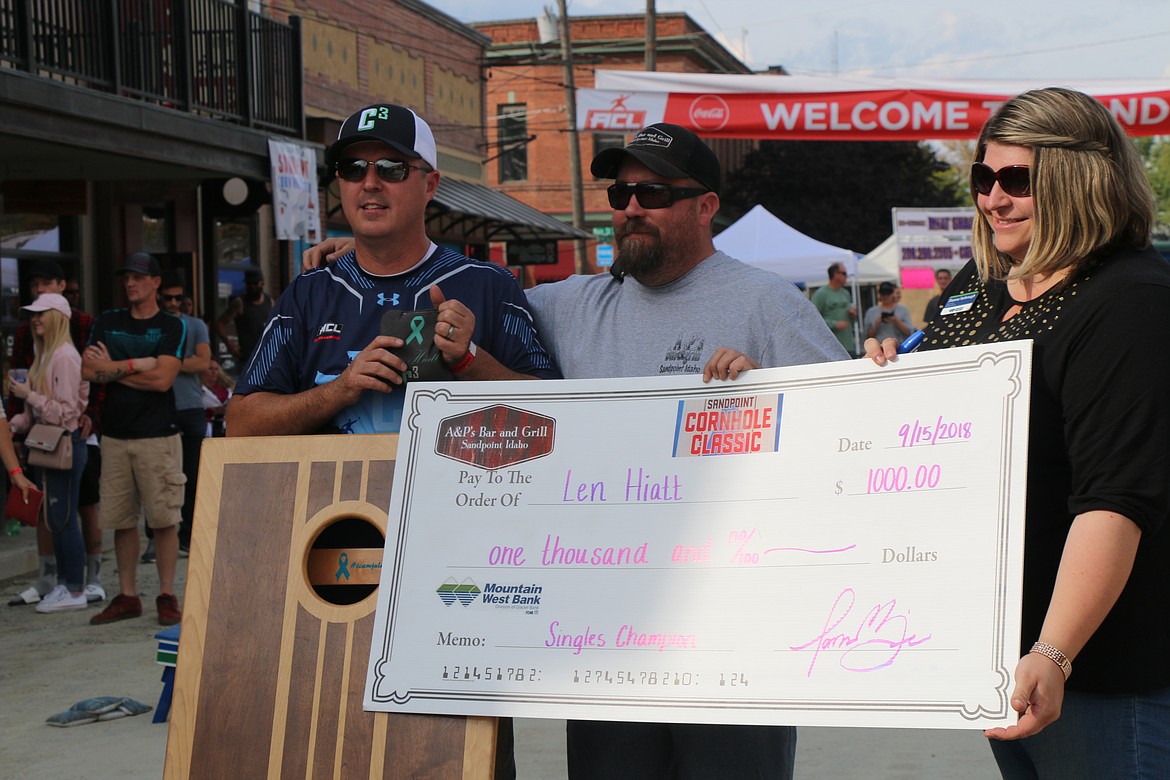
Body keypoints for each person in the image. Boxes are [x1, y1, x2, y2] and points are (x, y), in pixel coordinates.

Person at [866, 87, 1170, 779]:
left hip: (1095, 670)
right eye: (982, 177)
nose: (992, 199)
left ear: (1078, 178)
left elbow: (1115, 500)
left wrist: (1054, 650)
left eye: (1015, 179)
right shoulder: (982, 284)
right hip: (989, 654)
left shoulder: (1128, 300)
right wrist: (879, 378)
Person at [227, 102, 559, 439]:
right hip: (339, 492)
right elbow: (241, 424)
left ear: (430, 185)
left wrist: (469, 360)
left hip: (451, 491)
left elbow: (557, 411)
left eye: (391, 167)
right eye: (353, 168)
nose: (370, 182)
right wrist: (339, 390)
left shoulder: (489, 285)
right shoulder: (309, 290)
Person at [84, 252, 186, 627]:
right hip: (114, 436)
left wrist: (111, 370)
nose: (131, 283)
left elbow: (163, 380)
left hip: (158, 437)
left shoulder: (171, 326)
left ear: (156, 282)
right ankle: (127, 596)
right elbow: (87, 369)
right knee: (121, 520)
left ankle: (166, 594)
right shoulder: (108, 321)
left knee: (162, 520)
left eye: (139, 277)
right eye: (127, 277)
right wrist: (136, 364)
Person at [5, 261, 105, 606]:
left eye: (41, 314)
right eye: (33, 314)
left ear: (57, 318)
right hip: (50, 444)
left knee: (63, 517)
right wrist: (12, 424)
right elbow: (36, 414)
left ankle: (74, 586)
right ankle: (67, 583)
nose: (35, 319)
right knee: (57, 516)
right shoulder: (46, 355)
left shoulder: (63, 356)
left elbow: (65, 413)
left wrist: (25, 396)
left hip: (65, 443)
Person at [160, 275, 210, 554]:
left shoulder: (195, 325)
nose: (174, 303)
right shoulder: (158, 325)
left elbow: (203, 361)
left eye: (178, 298)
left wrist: (167, 363)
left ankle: (188, 535)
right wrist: (181, 363)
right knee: (160, 476)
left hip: (190, 405)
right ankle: (156, 541)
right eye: (168, 298)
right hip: (161, 407)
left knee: (192, 474)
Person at [215, 268, 273, 370]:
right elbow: (220, 324)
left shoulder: (269, 302)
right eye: (249, 284)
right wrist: (229, 345)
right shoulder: (240, 303)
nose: (252, 287)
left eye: (255, 284)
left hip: (268, 357)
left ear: (262, 281)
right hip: (248, 359)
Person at [810, 261, 857, 355]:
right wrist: (834, 324)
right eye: (844, 273)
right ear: (836, 274)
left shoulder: (845, 293)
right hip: (830, 347)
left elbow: (850, 319)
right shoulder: (821, 294)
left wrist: (852, 314)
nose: (846, 276)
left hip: (848, 345)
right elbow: (812, 319)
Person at [201, 360, 233, 438]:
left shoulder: (227, 387)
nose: (214, 372)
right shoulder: (199, 388)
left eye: (216, 369)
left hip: (227, 427)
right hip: (206, 428)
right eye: (210, 369)